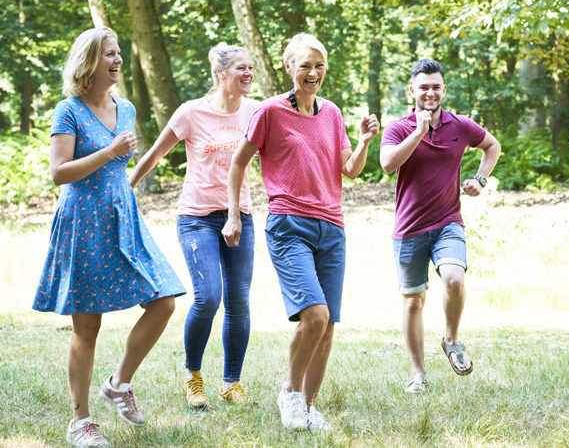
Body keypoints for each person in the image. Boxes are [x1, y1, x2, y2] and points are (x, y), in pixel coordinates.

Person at [33, 27, 186, 447]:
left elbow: (121, 165)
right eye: (109, 55)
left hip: (124, 217)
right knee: (87, 324)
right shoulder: (68, 110)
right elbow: (59, 173)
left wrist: (118, 158)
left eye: (119, 53)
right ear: (88, 62)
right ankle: (80, 421)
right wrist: (109, 152)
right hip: (83, 219)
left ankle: (119, 384)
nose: (117, 60)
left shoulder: (127, 109)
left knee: (164, 299)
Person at [222, 33, 379, 432]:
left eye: (319, 65)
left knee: (326, 327)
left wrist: (362, 143)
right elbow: (238, 164)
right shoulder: (270, 112)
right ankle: (289, 395)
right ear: (288, 67)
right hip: (289, 223)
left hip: (333, 227)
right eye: (304, 65)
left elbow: (351, 170)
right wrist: (234, 215)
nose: (312, 72)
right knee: (315, 314)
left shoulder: (332, 113)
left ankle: (308, 408)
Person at [129, 43, 261, 408]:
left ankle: (231, 382)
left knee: (238, 301)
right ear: (221, 74)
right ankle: (193, 375)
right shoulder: (192, 112)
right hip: (197, 217)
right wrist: (127, 189)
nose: (248, 73)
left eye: (250, 67)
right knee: (209, 297)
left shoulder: (255, 111)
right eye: (240, 68)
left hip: (241, 215)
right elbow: (155, 153)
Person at [379, 59, 501, 393]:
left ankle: (452, 339)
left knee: (454, 279)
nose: (430, 93)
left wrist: (481, 178)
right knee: (413, 301)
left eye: (436, 87)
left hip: (448, 221)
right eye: (424, 87)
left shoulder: (460, 126)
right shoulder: (398, 128)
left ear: (444, 89)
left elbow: (492, 146)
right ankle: (418, 373)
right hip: (409, 228)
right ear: (412, 91)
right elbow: (388, 164)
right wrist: (419, 131)